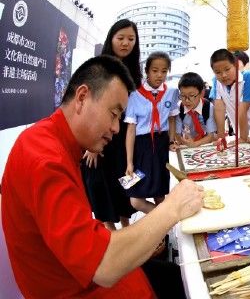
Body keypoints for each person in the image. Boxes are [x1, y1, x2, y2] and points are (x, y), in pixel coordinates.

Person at [1, 55, 203, 298]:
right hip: (79, 290)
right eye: (114, 113)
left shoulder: (47, 139)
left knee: (176, 275)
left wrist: (137, 243)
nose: (116, 127)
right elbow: (103, 266)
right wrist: (172, 208)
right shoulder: (45, 160)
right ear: (83, 97)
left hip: (85, 278)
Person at [81, 19, 141, 231]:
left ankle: (126, 228)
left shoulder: (135, 71)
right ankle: (109, 234)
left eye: (131, 39)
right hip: (100, 133)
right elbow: (89, 105)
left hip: (124, 137)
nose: (126, 43)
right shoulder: (99, 68)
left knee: (124, 185)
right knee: (100, 185)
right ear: (111, 39)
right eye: (121, 38)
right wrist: (92, 144)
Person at [125, 51, 179, 214]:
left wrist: (171, 141)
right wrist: (129, 162)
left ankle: (162, 235)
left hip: (161, 146)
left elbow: (171, 119)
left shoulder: (171, 93)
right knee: (135, 200)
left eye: (164, 71)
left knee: (160, 194)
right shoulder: (135, 94)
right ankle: (166, 217)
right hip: (141, 149)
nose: (160, 75)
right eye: (155, 70)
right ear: (147, 71)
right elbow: (131, 129)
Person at [209, 48, 250, 141]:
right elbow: (219, 109)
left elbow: (242, 109)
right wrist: (221, 137)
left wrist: (243, 138)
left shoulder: (248, 76)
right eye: (218, 72)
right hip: (239, 133)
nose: (224, 75)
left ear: (235, 65)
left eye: (227, 69)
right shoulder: (216, 81)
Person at [176, 72, 216, 147]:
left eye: (191, 95)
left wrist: (195, 144)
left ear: (201, 93)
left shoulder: (208, 107)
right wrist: (184, 141)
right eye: (183, 96)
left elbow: (210, 135)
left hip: (203, 143)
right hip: (185, 144)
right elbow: (177, 134)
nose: (186, 100)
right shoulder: (178, 108)